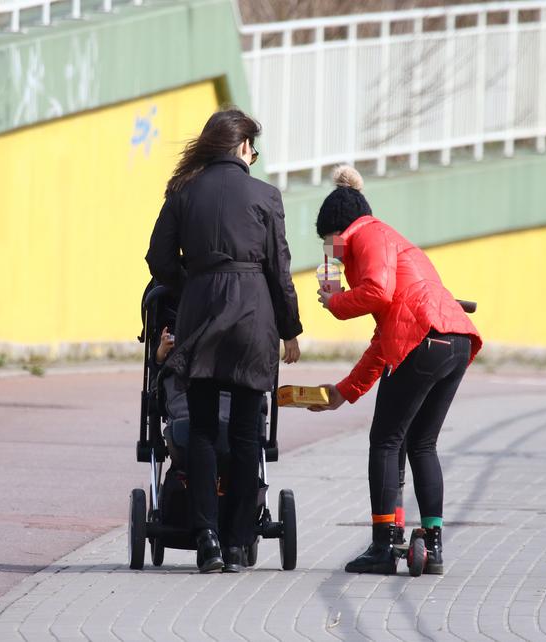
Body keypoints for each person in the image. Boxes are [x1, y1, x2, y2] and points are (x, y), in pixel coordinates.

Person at [145, 107, 303, 574]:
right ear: (242, 147)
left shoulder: (183, 191)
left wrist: (189, 284)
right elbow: (279, 267)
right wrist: (290, 329)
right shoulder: (265, 195)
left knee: (203, 428)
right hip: (255, 318)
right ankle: (237, 543)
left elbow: (158, 257)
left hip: (199, 316)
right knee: (247, 431)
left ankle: (207, 538)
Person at [310, 165, 481, 575]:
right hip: (453, 338)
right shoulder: (395, 243)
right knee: (421, 443)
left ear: (337, 231)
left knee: (385, 441)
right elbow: (385, 340)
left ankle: (384, 546)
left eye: (326, 242)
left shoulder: (368, 236)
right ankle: (433, 545)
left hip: (424, 339)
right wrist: (343, 392)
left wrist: (335, 302)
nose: (327, 252)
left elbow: (377, 293)